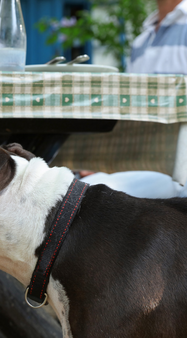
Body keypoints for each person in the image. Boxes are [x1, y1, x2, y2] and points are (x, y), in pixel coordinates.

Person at [80, 0, 187, 198]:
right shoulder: (142, 40)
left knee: (81, 195)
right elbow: (130, 115)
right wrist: (104, 161)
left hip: (178, 169)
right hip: (143, 163)